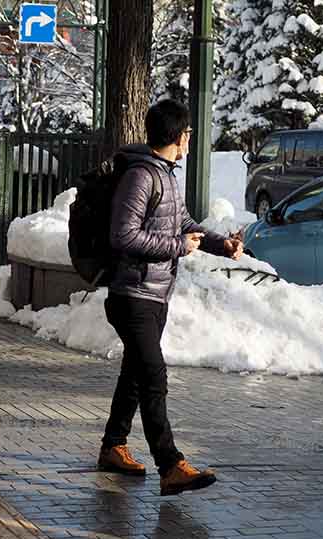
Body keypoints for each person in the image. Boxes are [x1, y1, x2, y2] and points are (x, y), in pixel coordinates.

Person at [98, 99, 244, 496]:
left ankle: (113, 445)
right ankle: (170, 464)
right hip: (132, 293)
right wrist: (177, 246)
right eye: (189, 134)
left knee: (135, 372)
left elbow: (182, 223)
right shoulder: (142, 176)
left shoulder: (165, 174)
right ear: (179, 136)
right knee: (153, 376)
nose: (190, 141)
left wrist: (220, 244)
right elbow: (123, 236)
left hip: (155, 293)